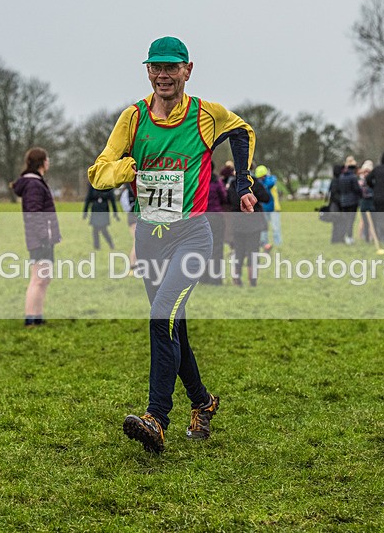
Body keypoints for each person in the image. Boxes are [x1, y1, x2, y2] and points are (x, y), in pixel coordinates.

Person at [88, 36, 257, 453]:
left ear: (187, 70)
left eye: (171, 68)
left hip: (192, 235)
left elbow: (244, 130)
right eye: (155, 68)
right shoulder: (132, 118)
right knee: (171, 324)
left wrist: (242, 184)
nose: (163, 75)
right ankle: (203, 402)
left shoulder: (205, 115)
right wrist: (127, 168)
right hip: (149, 238)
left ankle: (155, 418)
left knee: (161, 315)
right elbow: (98, 171)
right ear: (147, 71)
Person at [12, 147, 62, 327]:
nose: (49, 162)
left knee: (44, 278)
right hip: (40, 239)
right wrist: (44, 236)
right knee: (37, 278)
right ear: (41, 162)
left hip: (45, 237)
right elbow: (33, 213)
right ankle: (30, 318)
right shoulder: (33, 184)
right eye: (47, 159)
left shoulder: (37, 182)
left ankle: (37, 316)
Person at [228, 166, 269, 286]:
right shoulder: (255, 183)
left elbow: (229, 200)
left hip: (238, 222)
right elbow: (266, 198)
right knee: (253, 252)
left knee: (239, 251)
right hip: (254, 222)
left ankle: (236, 278)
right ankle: (253, 279)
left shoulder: (233, 184)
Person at [203, 161, 228, 285]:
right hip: (217, 217)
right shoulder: (217, 181)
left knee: (202, 248)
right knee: (217, 248)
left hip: (202, 218)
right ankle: (216, 279)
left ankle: (203, 278)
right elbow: (224, 197)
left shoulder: (198, 181)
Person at [335, 156, 363, 245]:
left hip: (343, 201)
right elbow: (357, 189)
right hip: (352, 201)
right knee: (351, 220)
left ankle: (343, 236)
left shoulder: (341, 176)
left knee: (345, 219)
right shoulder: (353, 177)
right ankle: (349, 237)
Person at [257, 165, 282, 250]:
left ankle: (278, 244)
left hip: (274, 209)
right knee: (264, 229)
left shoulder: (270, 181)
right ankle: (265, 244)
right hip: (264, 209)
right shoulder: (260, 183)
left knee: (276, 228)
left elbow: (270, 183)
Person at [356, 159, 375, 242]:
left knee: (373, 221)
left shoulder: (373, 181)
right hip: (364, 203)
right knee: (364, 221)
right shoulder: (360, 181)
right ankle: (365, 237)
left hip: (371, 202)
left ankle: (373, 236)